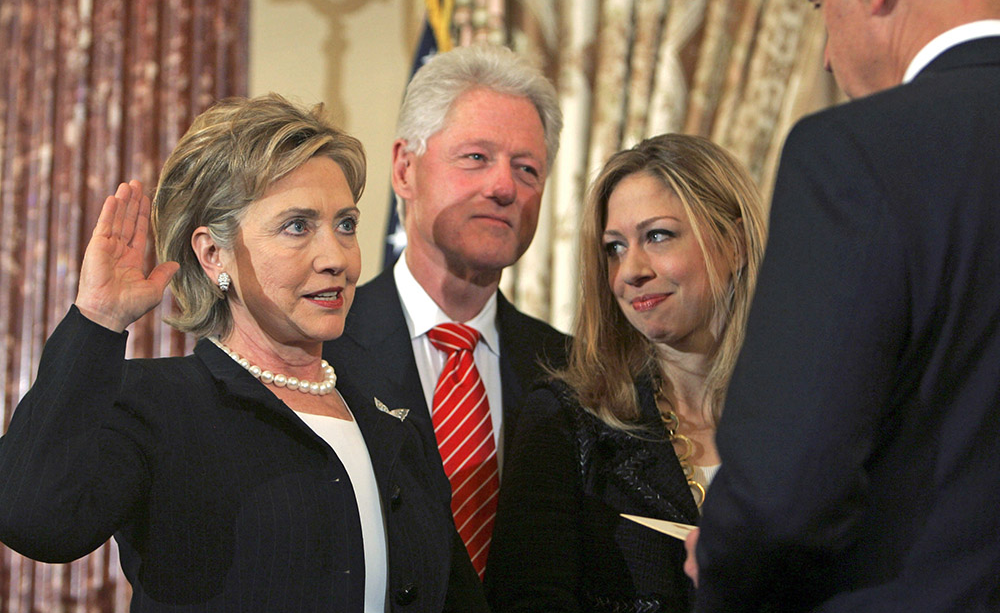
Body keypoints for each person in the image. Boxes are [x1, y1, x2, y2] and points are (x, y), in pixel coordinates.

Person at [0, 95, 487, 613]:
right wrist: (96, 321)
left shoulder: (391, 417)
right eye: (297, 226)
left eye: (345, 224)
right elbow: (35, 519)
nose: (336, 258)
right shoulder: (154, 404)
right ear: (214, 254)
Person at [688, 0, 1000, 610]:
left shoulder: (855, 154)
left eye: (816, 2)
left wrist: (720, 560)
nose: (826, 52)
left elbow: (781, 496)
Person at [484, 135, 767, 612]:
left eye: (657, 236)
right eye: (614, 248)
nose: (629, 271)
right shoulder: (565, 419)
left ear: (734, 244)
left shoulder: (814, 415)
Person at [323, 44, 571, 580]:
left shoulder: (573, 370)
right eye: (476, 157)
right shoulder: (321, 349)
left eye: (527, 168)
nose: (505, 187)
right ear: (405, 169)